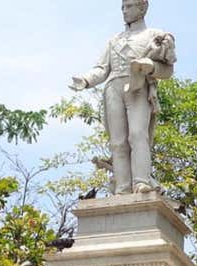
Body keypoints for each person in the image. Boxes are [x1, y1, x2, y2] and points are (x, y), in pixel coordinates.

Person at [70, 0, 176, 195]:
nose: (124, 11)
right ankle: (122, 188)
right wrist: (85, 80)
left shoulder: (156, 36)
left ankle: (141, 182)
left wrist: (150, 66)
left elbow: (168, 70)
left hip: (138, 86)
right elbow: (102, 69)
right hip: (113, 88)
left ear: (142, 8)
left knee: (137, 135)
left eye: (129, 6)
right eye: (122, 7)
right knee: (117, 142)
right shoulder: (114, 40)